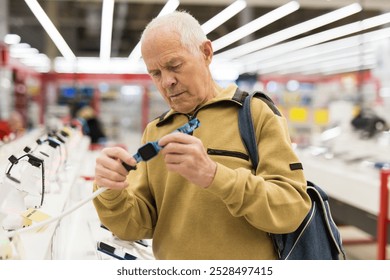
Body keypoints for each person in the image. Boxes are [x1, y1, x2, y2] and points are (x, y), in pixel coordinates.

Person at [93, 11, 311, 260]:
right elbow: (136, 226)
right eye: (155, 73)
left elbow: (291, 210)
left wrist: (215, 176)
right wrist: (110, 190)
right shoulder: (156, 131)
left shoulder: (255, 114)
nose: (167, 82)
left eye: (174, 66)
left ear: (206, 53)